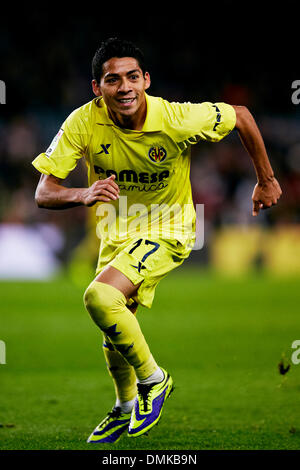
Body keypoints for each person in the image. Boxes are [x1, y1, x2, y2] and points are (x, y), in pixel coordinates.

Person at [32, 37, 282, 444]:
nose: (125, 87)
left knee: (99, 298)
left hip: (170, 228)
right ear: (98, 88)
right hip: (117, 232)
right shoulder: (82, 122)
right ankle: (124, 405)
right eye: (113, 80)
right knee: (114, 324)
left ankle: (154, 381)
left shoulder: (176, 118)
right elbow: (43, 193)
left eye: (133, 76)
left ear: (147, 80)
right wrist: (83, 194)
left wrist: (266, 180)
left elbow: (240, 115)